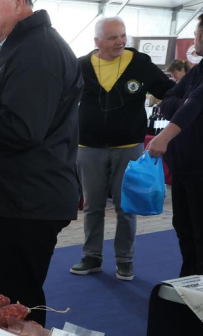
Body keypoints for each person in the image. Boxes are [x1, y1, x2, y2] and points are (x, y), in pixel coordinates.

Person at [0, 0, 82, 327]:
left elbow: (21, 128)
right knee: (1, 294)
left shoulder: (38, 50)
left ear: (19, 2)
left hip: (30, 200)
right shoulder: (24, 44)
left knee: (15, 301)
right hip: (19, 197)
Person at [71, 16, 174, 281]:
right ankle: (91, 256)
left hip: (129, 147)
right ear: (97, 42)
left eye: (122, 35)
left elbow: (169, 90)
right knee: (92, 205)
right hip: (88, 146)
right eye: (113, 37)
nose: (120, 42)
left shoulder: (139, 63)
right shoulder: (80, 65)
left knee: (126, 206)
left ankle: (125, 260)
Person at [150, 14, 203, 276]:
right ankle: (189, 281)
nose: (194, 39)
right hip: (184, 168)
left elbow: (192, 106)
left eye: (195, 33)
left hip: (200, 170)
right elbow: (169, 99)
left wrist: (164, 136)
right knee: (183, 227)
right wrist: (183, 103)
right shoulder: (196, 72)